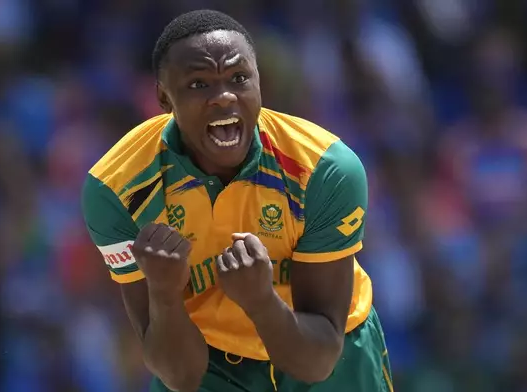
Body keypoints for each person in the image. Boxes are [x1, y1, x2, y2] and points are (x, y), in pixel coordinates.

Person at [81, 9, 392, 392]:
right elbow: (179, 376)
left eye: (239, 78)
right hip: (210, 365)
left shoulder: (324, 168)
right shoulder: (116, 188)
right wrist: (163, 294)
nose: (224, 96)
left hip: (332, 356)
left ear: (261, 84)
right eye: (198, 84)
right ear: (164, 97)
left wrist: (260, 301)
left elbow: (318, 360)